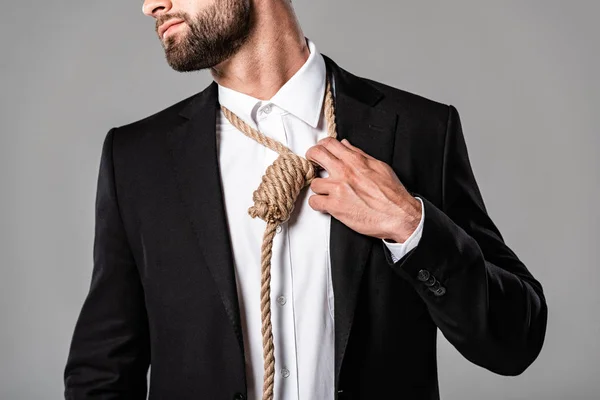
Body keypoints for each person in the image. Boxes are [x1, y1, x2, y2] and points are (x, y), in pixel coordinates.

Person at [63, 0, 548, 399]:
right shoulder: (137, 158)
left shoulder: (418, 131)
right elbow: (104, 370)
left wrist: (411, 228)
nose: (150, 6)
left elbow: (514, 341)